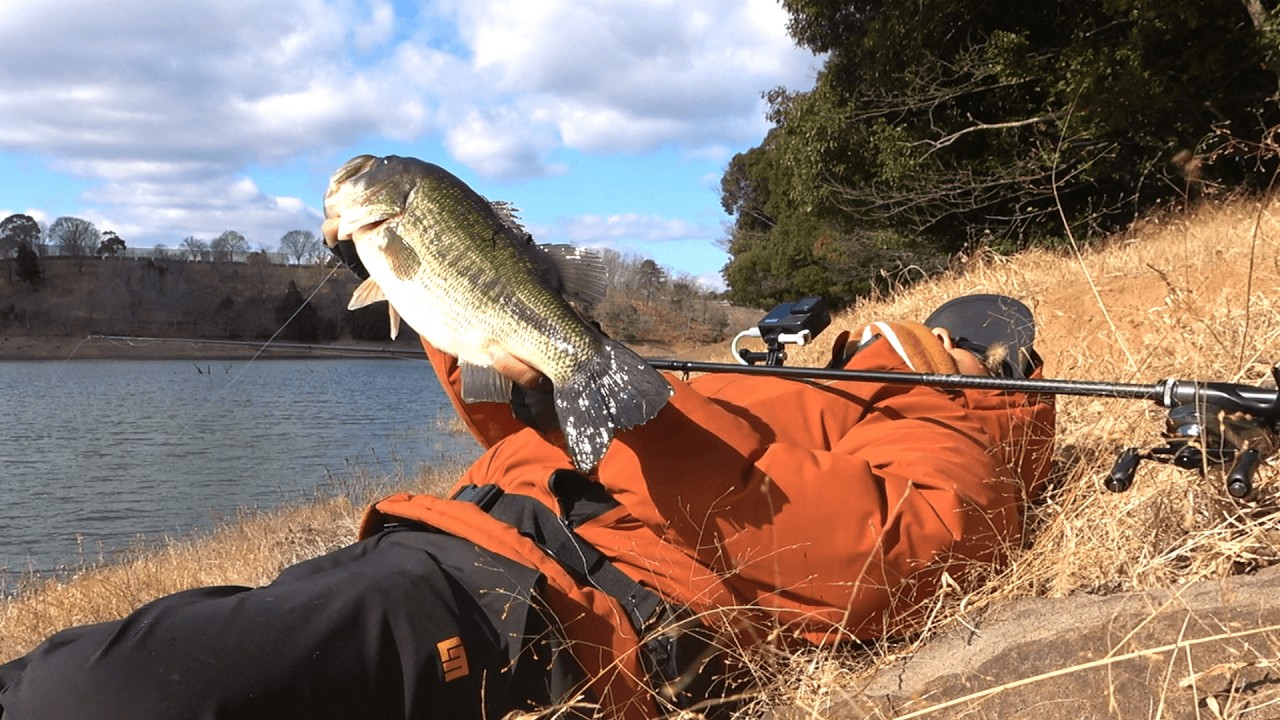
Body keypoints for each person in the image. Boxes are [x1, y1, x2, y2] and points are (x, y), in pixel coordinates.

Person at [0, 255, 1055, 719]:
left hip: (542, 612)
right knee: (75, 665)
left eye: (952, 345)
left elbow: (846, 565)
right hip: (436, 544)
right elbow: (534, 438)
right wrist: (473, 331)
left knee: (105, 692)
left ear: (986, 378)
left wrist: (925, 378)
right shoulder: (802, 393)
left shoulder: (961, 449)